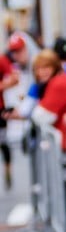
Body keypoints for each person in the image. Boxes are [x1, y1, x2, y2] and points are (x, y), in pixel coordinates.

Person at [0, 41, 19, 188]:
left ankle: (8, 170)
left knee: (3, 143)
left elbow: (14, 78)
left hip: (0, 109)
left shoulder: (2, 60)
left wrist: (2, 86)